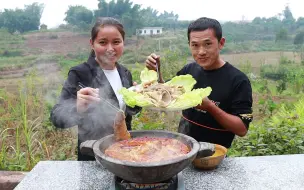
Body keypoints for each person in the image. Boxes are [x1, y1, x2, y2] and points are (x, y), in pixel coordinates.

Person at [145, 17, 253, 149]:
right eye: (195, 45)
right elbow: (168, 92)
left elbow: (242, 129)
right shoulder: (189, 70)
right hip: (183, 148)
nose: (201, 52)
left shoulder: (238, 80)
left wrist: (211, 107)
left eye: (208, 44)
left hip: (215, 156)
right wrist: (156, 71)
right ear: (189, 45)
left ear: (221, 43)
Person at [50, 17, 141, 161]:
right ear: (92, 43)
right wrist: (78, 107)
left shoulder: (124, 72)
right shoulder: (80, 73)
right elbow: (56, 117)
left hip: (124, 153)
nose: (110, 49)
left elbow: (129, 111)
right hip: (93, 156)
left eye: (116, 42)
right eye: (103, 42)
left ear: (123, 43)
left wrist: (139, 97)